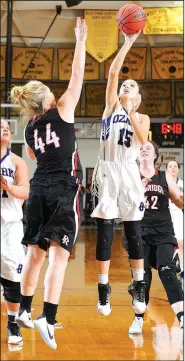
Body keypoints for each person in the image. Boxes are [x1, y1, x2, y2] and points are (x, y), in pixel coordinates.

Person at [10, 17, 87, 350]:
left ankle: (24, 311)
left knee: (34, 255)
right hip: (63, 188)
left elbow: (31, 151)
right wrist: (81, 41)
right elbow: (78, 76)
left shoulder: (29, 129)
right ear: (48, 99)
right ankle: (48, 316)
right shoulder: (64, 109)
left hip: (38, 188)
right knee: (59, 256)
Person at [91, 31, 150, 317]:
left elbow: (142, 139)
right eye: (124, 85)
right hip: (107, 172)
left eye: (131, 86)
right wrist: (127, 41)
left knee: (133, 230)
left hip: (128, 173)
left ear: (138, 98)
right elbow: (114, 71)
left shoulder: (141, 116)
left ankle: (139, 284)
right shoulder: (110, 106)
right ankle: (103, 288)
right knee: (104, 233)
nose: (125, 86)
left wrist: (130, 111)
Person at [127, 141, 184, 335]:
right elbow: (124, 204)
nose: (143, 150)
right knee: (142, 279)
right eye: (141, 148)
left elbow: (178, 200)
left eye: (148, 148)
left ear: (155, 156)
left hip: (162, 232)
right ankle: (138, 319)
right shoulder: (132, 176)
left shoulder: (164, 176)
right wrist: (137, 190)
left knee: (167, 272)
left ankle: (182, 318)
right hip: (139, 232)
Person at [1, 119, 29, 345]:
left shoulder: (17, 161)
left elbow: (26, 192)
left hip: (10, 225)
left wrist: (8, 187)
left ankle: (12, 322)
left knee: (12, 274)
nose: (4, 129)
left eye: (6, 127)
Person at [166, 160, 184, 289]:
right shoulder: (163, 182)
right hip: (165, 216)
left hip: (177, 215)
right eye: (170, 166)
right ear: (167, 170)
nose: (173, 168)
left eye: (175, 166)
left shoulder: (182, 184)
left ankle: (182, 272)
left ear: (178, 169)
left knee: (181, 243)